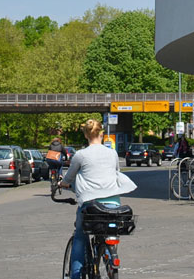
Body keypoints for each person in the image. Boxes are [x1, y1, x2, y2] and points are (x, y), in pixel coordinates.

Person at [59, 119, 137, 279]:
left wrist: (62, 183)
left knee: (80, 236)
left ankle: (75, 275)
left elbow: (69, 178)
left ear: (86, 135)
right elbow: (116, 173)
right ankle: (108, 256)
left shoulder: (80, 155)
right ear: (101, 133)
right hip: (113, 205)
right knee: (109, 232)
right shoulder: (112, 153)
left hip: (91, 206)